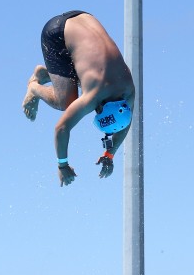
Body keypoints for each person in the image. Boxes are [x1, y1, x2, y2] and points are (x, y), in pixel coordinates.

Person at [23, 11, 136, 186]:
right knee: (66, 102)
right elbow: (61, 128)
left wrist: (109, 154)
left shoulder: (128, 90)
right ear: (101, 108)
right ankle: (35, 87)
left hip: (83, 18)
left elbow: (125, 124)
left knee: (85, 79)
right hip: (56, 34)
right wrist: (63, 165)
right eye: (97, 111)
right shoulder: (94, 96)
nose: (95, 110)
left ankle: (48, 74)